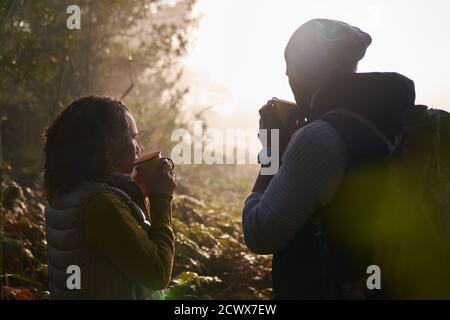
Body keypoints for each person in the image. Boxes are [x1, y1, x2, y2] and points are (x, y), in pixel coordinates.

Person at [242, 19, 418, 299]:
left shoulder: (321, 137)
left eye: (290, 74)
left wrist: (273, 151)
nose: (290, 83)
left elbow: (260, 233)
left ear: (302, 72)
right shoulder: (389, 120)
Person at [44, 96, 177, 299]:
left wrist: (137, 197)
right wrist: (161, 197)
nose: (138, 148)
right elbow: (157, 274)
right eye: (132, 137)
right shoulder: (101, 204)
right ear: (105, 143)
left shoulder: (67, 190)